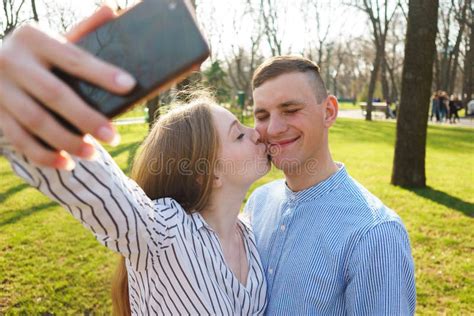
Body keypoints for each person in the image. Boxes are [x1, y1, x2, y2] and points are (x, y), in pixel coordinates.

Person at [0, 7, 270, 315]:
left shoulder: (253, 235)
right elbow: (92, 181)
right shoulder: (162, 233)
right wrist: (17, 100)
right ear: (208, 174)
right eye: (239, 135)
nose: (258, 133)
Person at [244, 56, 416, 315]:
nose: (275, 128)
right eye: (262, 115)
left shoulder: (375, 234)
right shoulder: (258, 202)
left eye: (290, 110)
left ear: (329, 112)